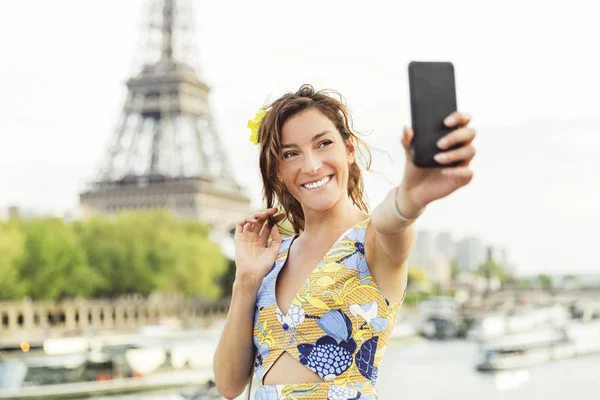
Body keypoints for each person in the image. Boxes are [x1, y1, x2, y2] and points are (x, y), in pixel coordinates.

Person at [214, 84, 476, 399]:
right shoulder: (274, 258)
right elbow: (229, 387)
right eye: (290, 153)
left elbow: (393, 222)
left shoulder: (373, 239)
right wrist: (246, 278)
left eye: (323, 143)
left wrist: (410, 198)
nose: (311, 165)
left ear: (349, 150)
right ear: (279, 171)